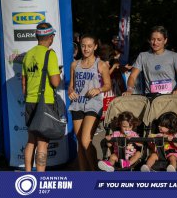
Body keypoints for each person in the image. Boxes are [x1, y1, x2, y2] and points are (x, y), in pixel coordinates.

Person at [68, 34, 111, 171]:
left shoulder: (101, 64)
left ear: (95, 47)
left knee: (86, 140)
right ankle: (83, 173)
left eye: (89, 46)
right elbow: (71, 86)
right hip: (77, 104)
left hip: (93, 104)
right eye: (83, 46)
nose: (86, 49)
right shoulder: (75, 64)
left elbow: (108, 85)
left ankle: (94, 171)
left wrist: (98, 89)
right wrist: (71, 92)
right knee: (80, 143)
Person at [22, 22, 60, 172]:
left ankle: (27, 174)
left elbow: (23, 83)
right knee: (43, 143)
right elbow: (55, 82)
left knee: (31, 141)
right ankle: (40, 178)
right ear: (50, 37)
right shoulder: (50, 54)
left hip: (30, 101)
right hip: (45, 103)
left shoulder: (28, 54)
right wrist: (59, 75)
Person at [122, 26, 177, 95]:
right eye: (152, 39)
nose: (155, 43)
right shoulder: (142, 56)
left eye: (159, 40)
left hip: (170, 97)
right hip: (151, 98)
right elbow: (132, 76)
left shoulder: (174, 56)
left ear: (165, 40)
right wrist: (129, 90)